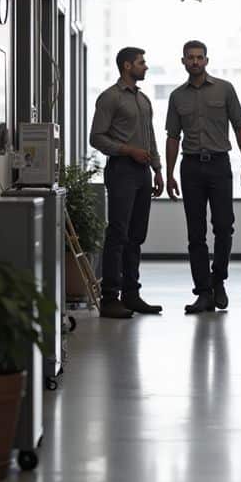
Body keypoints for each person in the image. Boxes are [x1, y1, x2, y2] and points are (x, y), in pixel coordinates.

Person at [165, 40, 241, 314]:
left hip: (219, 165)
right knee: (196, 233)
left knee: (224, 226)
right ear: (183, 61)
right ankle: (203, 292)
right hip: (190, 167)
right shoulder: (177, 97)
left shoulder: (225, 89)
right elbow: (172, 137)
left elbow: (239, 127)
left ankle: (218, 280)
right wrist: (169, 175)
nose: (195, 62)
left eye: (199, 57)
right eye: (190, 58)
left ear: (206, 60)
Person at [89, 47, 164, 319]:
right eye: (141, 63)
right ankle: (110, 298)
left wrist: (157, 170)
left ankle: (131, 295)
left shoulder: (143, 100)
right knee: (118, 233)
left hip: (143, 172)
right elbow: (96, 137)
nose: (145, 67)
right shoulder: (110, 98)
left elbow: (151, 136)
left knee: (136, 235)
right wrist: (128, 150)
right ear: (126, 66)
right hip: (121, 170)